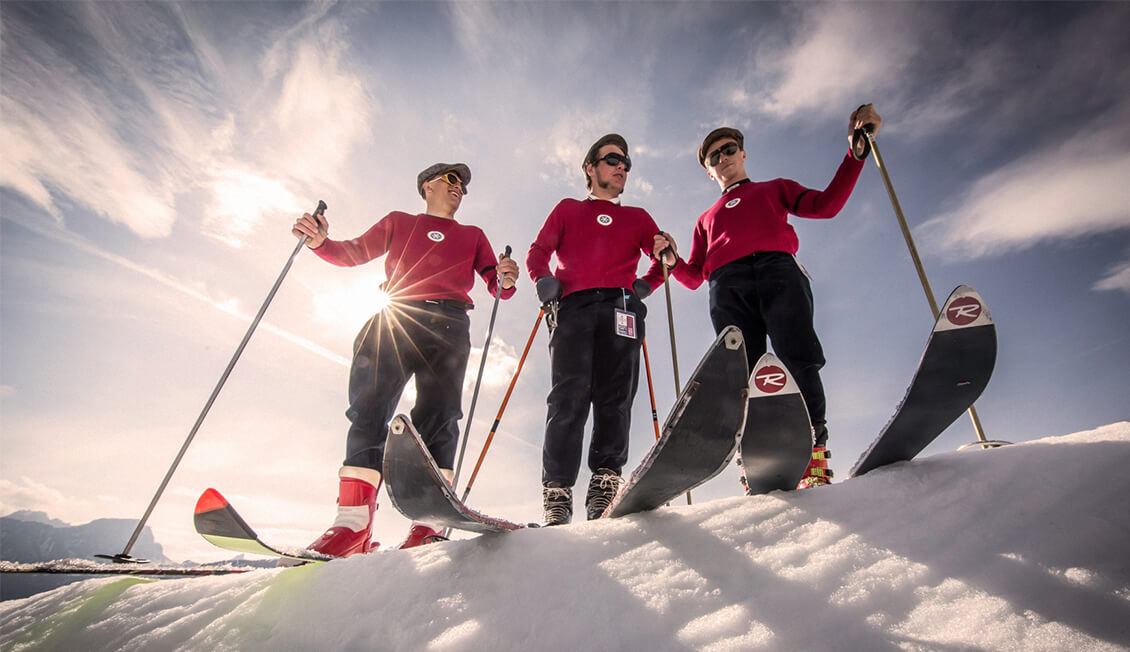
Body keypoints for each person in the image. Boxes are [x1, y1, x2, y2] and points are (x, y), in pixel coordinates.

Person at [291, 162, 518, 554]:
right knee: (368, 409)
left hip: (448, 323)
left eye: (463, 184)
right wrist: (318, 242)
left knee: (440, 417)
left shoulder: (473, 235)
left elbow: (496, 284)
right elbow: (353, 252)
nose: (459, 187)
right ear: (427, 185)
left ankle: (429, 524)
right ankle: (353, 525)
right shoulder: (399, 221)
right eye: (451, 179)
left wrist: (506, 277)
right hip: (397, 314)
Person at [657, 104, 883, 489]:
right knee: (742, 373)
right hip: (726, 285)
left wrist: (856, 154)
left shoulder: (774, 188)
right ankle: (755, 460)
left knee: (798, 358)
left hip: (778, 271)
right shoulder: (705, 219)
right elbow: (693, 277)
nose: (723, 158)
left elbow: (825, 206)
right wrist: (671, 259)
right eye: (715, 157)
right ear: (709, 171)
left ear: (743, 154)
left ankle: (814, 457)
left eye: (729, 150)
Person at [526, 134, 672, 525]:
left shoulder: (638, 217)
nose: (621, 165)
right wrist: (543, 279)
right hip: (573, 306)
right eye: (612, 159)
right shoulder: (569, 209)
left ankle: (605, 484)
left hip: (620, 309)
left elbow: (662, 256)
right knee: (568, 398)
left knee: (615, 397)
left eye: (626, 161)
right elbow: (538, 251)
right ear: (590, 168)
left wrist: (647, 283)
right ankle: (557, 492)